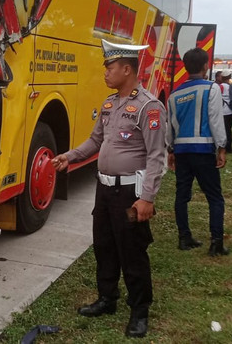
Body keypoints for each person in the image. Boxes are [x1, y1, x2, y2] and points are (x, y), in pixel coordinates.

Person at [51, 40, 166, 338]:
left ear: (127, 70)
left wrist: (147, 198)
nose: (105, 73)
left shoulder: (149, 107)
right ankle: (107, 299)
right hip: (104, 191)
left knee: (132, 252)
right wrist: (69, 156)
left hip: (130, 194)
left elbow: (156, 156)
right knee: (104, 245)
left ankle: (139, 311)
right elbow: (95, 142)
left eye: (109, 68)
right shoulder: (109, 104)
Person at [166, 48, 229, 256]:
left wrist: (171, 149)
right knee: (214, 197)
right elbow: (215, 120)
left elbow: (170, 126)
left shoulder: (174, 94)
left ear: (185, 66)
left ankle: (184, 237)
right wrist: (221, 147)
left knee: (182, 196)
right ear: (205, 66)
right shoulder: (211, 88)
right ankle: (216, 242)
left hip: (182, 151)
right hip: (203, 150)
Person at [220, 70, 232, 153]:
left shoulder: (221, 86)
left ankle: (226, 147)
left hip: (224, 111)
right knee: (229, 129)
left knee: (225, 130)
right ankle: (229, 147)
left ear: (222, 77)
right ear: (229, 77)